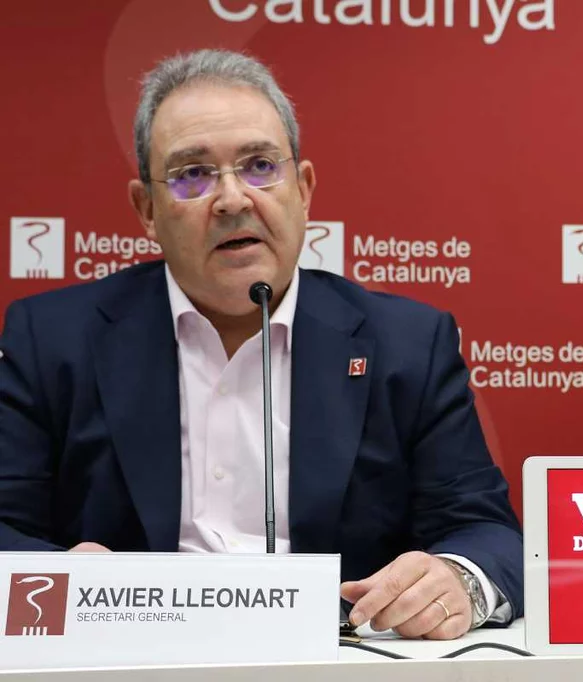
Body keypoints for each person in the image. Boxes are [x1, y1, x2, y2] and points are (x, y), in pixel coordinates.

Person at [0, 49, 523, 640]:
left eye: (259, 166)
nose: (231, 199)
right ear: (146, 210)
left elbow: (488, 533)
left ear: (303, 189)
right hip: (131, 660)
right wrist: (60, 577)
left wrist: (456, 581)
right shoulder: (52, 338)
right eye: (191, 174)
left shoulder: (407, 344)